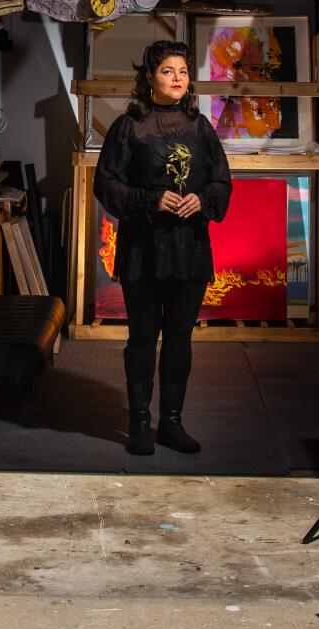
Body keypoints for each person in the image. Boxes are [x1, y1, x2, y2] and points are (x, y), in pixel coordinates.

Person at [92, 39, 233, 455]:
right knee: (141, 337)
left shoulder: (199, 126)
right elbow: (106, 183)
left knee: (179, 338)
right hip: (144, 248)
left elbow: (221, 182)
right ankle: (139, 423)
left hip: (189, 247)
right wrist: (149, 200)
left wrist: (202, 201)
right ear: (150, 77)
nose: (178, 79)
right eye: (169, 71)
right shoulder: (129, 125)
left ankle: (171, 423)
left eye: (183, 72)